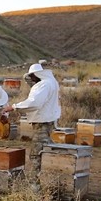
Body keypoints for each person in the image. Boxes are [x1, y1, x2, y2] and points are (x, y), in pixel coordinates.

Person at [12, 62, 61, 191]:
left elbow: (34, 103)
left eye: (32, 76)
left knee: (36, 154)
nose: (31, 79)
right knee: (46, 152)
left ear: (35, 75)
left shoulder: (43, 85)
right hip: (49, 122)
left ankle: (35, 185)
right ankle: (47, 181)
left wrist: (14, 107)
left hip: (42, 124)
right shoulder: (52, 83)